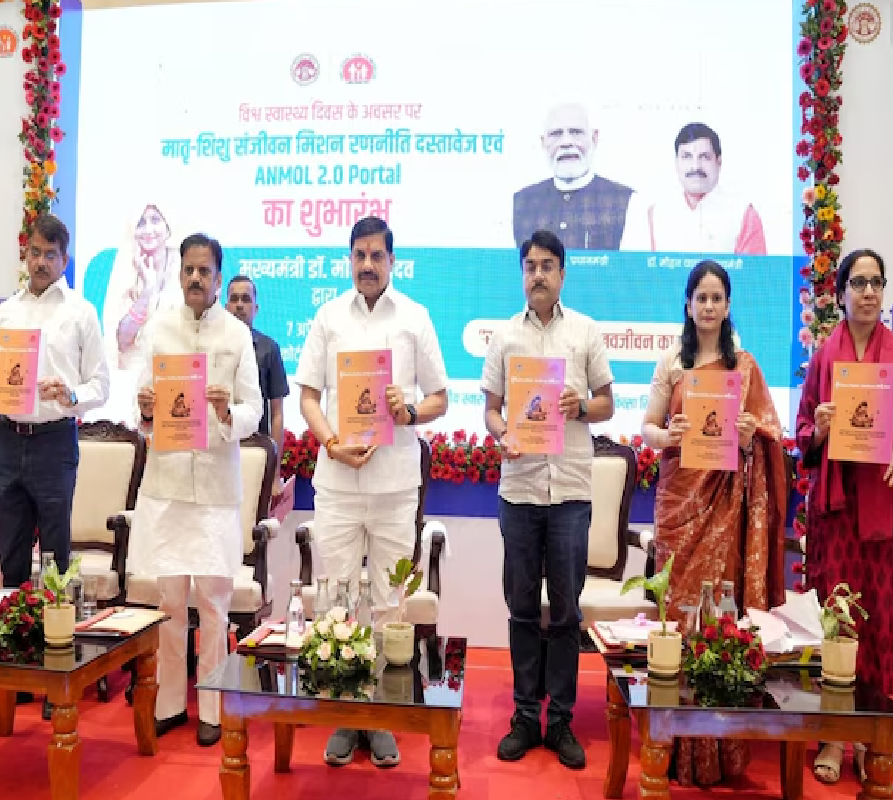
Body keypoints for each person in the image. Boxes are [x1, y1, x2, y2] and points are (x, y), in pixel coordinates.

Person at [296, 215, 449, 768]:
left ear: (391, 261)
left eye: (376, 255)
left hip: (394, 485)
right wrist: (331, 441)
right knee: (336, 601)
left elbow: (440, 398)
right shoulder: (328, 317)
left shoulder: (415, 318)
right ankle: (345, 712)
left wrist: (409, 411)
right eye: (359, 255)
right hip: (337, 483)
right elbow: (308, 396)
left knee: (389, 605)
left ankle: (380, 714)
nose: (367, 264)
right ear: (350, 260)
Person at [640, 259, 787, 786]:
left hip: (724, 510)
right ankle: (671, 745)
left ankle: (718, 749)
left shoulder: (744, 367)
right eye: (700, 297)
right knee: (678, 622)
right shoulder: (671, 363)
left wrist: (749, 437)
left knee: (717, 620)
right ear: (688, 305)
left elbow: (770, 436)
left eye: (716, 298)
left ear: (727, 307)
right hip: (680, 506)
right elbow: (648, 429)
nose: (707, 306)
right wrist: (669, 435)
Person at [795, 248, 893, 785]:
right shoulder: (823, 360)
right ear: (840, 293)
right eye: (859, 282)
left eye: (877, 282)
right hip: (834, 512)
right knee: (837, 620)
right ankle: (832, 734)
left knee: (873, 622)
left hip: (881, 512)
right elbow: (803, 435)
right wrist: (821, 430)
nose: (869, 291)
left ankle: (865, 735)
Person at [482, 229, 614, 770]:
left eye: (546, 266)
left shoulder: (585, 331)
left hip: (570, 494)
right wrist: (501, 434)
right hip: (520, 489)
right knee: (520, 608)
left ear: (562, 273)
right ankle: (523, 716)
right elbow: (490, 411)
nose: (537, 274)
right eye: (529, 266)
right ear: (523, 274)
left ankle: (559, 720)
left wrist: (580, 407)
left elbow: (607, 404)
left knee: (564, 613)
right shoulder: (504, 337)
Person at [0, 213, 110, 718]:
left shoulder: (80, 312)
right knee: (10, 559)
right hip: (9, 439)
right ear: (25, 254)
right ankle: (12, 676)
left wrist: (69, 393)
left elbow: (101, 386)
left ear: (64, 260)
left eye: (51, 254)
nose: (42, 262)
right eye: (35, 252)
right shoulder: (7, 311)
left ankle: (55, 676)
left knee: (55, 561)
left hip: (54, 441)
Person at [129, 233, 262, 746]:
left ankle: (211, 707)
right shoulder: (158, 329)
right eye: (188, 269)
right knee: (168, 606)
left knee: (213, 606)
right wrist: (145, 408)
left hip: (213, 490)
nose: (195, 278)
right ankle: (168, 704)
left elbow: (253, 412)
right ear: (179, 272)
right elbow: (140, 407)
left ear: (218, 278)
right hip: (165, 486)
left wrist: (228, 412)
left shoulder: (236, 335)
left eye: (204, 271)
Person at [92, 203, 182, 423]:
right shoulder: (125, 270)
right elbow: (122, 341)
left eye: (155, 220)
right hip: (131, 381)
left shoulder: (183, 270)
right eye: (141, 222)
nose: (148, 229)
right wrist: (147, 290)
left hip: (176, 377)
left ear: (168, 227)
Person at [620, 123, 766, 255]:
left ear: (719, 162)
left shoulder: (743, 214)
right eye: (687, 156)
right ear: (676, 162)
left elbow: (754, 274)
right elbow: (639, 273)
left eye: (704, 157)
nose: (695, 166)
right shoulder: (656, 214)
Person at [512, 103, 640, 250]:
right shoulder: (520, 202)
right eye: (556, 134)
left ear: (594, 138)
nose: (566, 142)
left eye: (576, 132)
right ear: (543, 142)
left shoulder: (627, 201)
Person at [225, 274, 290, 474]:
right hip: (220, 448)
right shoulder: (214, 346)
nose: (239, 305)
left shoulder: (269, 349)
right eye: (234, 299)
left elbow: (276, 413)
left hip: (256, 451)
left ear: (256, 308)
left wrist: (275, 472)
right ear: (226, 307)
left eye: (246, 299)